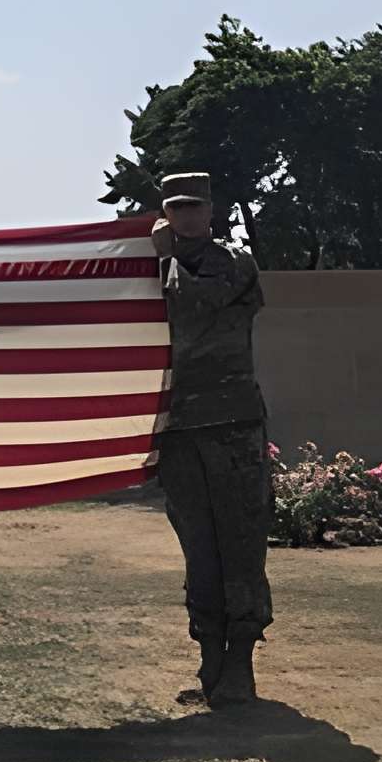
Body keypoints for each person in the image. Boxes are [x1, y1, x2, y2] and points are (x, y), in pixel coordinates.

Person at [152, 169, 272, 708]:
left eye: (193, 207)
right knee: (199, 551)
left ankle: (240, 667)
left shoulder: (235, 265)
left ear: (211, 212)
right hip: (180, 430)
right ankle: (210, 664)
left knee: (240, 546)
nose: (185, 217)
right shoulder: (157, 267)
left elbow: (193, 306)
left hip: (231, 426)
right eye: (175, 208)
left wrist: (163, 259)